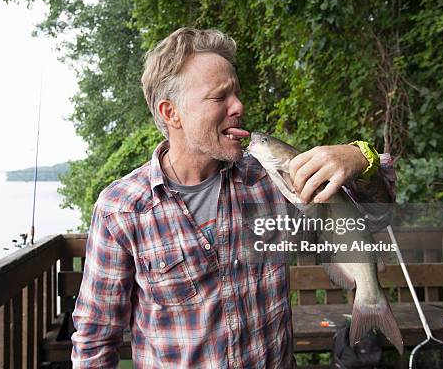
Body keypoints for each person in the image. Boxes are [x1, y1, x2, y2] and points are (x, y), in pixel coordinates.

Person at [71, 28, 395, 368]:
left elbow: (374, 218)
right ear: (171, 113)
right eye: (219, 97)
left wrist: (363, 159)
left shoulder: (270, 181)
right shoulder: (121, 210)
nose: (238, 106)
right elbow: (95, 339)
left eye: (237, 93)